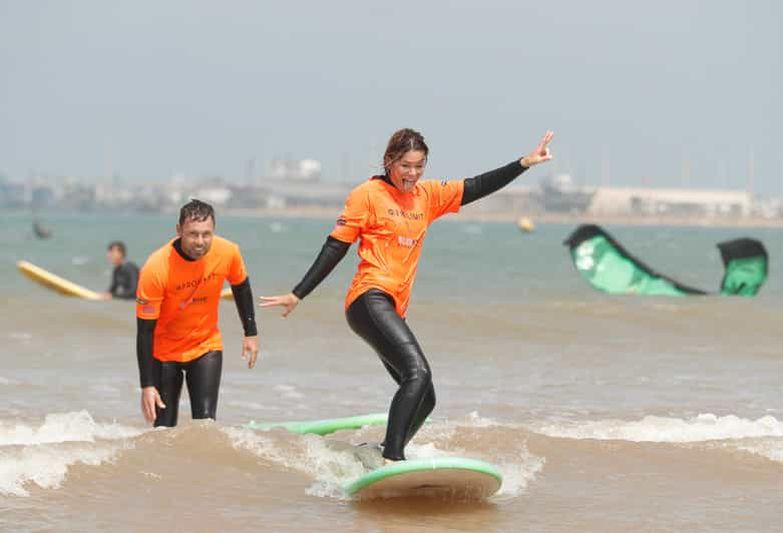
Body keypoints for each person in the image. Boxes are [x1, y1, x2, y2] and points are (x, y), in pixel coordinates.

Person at [261, 128, 554, 462]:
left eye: (419, 166)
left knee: (424, 398)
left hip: (392, 307)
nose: (412, 174)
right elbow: (336, 246)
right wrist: (299, 293)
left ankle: (382, 452)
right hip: (368, 298)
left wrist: (524, 163)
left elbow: (476, 186)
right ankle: (393, 459)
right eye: (405, 166)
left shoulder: (426, 196)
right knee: (418, 375)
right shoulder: (367, 195)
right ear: (389, 162)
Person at [135, 199, 260, 427]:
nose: (200, 242)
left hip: (205, 347)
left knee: (205, 426)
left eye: (206, 234)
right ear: (179, 231)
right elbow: (144, 330)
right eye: (193, 234)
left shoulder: (228, 252)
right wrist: (147, 385)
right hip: (164, 353)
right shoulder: (156, 268)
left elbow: (241, 287)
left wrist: (250, 332)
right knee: (163, 430)